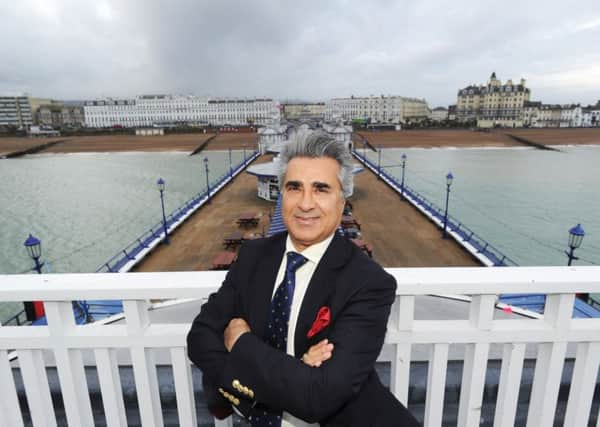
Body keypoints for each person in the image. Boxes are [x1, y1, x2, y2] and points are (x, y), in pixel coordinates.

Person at [187, 131, 420, 426]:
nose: (305, 203)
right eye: (294, 188)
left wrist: (241, 343)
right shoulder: (254, 256)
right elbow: (199, 338)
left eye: (321, 189)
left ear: (342, 200)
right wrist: (296, 371)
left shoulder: (369, 282)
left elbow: (320, 397)